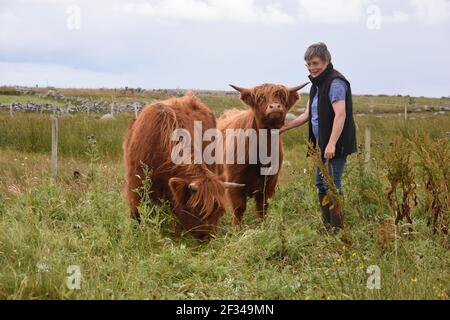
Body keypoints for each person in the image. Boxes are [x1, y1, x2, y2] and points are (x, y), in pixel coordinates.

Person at [281, 42, 357, 231]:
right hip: (321, 146)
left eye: (315, 63)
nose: (312, 68)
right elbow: (307, 115)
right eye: (308, 64)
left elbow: (341, 115)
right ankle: (328, 226)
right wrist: (282, 129)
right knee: (321, 184)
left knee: (332, 184)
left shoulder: (335, 82)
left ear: (327, 60)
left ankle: (338, 230)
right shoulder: (317, 84)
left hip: (335, 145)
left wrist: (331, 144)